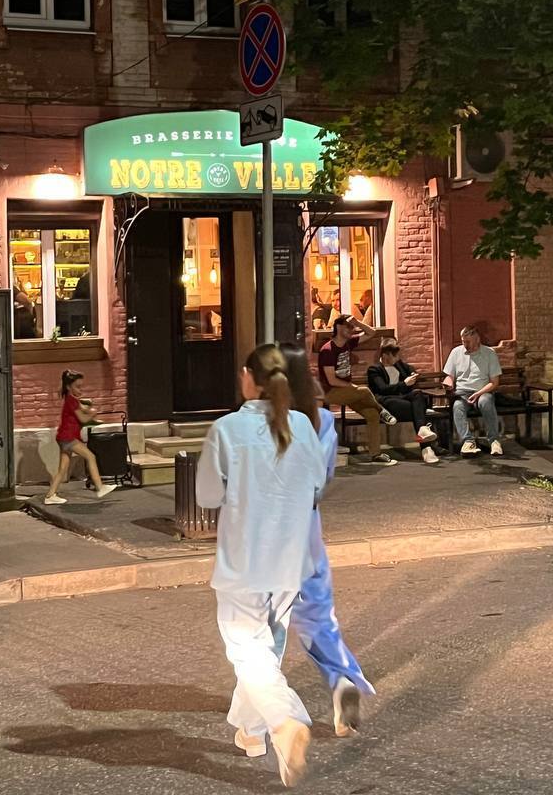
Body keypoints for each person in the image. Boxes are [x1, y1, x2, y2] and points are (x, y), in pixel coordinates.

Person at [196, 344, 326, 788]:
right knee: (265, 648)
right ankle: (251, 732)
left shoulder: (227, 428)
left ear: (249, 378)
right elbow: (317, 485)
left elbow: (207, 495)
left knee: (247, 650)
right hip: (289, 558)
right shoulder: (302, 425)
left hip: (244, 559)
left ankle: (284, 721)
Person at [280, 341, 376, 738]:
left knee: (261, 625)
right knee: (318, 615)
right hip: (308, 525)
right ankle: (341, 680)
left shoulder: (267, 422)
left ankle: (266, 710)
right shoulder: (321, 420)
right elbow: (326, 476)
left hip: (272, 527)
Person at [317, 314, 398, 466]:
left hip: (347, 392)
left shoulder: (349, 343)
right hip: (330, 392)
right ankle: (382, 411)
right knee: (365, 391)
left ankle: (375, 455)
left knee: (372, 414)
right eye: (348, 326)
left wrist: (357, 322)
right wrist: (352, 387)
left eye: (352, 327)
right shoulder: (328, 350)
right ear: (339, 327)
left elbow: (371, 333)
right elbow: (331, 380)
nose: (352, 329)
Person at [44, 370, 116, 504]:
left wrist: (90, 410)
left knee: (62, 468)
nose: (80, 389)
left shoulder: (72, 400)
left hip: (63, 437)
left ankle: (50, 496)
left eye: (81, 386)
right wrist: (92, 414)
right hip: (68, 437)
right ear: (68, 387)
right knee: (90, 456)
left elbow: (83, 409)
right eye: (77, 386)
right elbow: (83, 419)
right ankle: (100, 487)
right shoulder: (72, 400)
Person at [367, 339, 440, 465]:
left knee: (417, 394)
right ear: (385, 355)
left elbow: (412, 371)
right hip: (386, 402)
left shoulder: (398, 365)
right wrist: (404, 384)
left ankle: (423, 431)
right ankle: (426, 448)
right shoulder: (374, 369)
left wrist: (412, 374)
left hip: (402, 399)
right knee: (418, 411)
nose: (397, 358)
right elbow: (383, 389)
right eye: (394, 356)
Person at [443, 326, 505, 456]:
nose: (465, 345)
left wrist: (478, 393)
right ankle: (468, 442)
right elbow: (449, 376)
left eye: (468, 342)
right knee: (457, 406)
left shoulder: (489, 353)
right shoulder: (456, 352)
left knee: (486, 402)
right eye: (463, 341)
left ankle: (494, 440)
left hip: (482, 391)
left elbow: (494, 382)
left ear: (477, 339)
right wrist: (448, 382)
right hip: (462, 393)